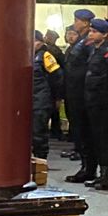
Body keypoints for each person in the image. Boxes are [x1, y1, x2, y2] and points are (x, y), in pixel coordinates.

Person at [81, 19, 108, 191]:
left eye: (95, 31)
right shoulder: (94, 50)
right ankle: (102, 173)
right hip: (93, 102)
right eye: (90, 31)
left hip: (104, 103)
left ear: (104, 34)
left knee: (105, 140)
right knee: (96, 139)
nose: (91, 34)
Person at [63, 10, 96, 173]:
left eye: (77, 20)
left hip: (82, 91)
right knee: (78, 128)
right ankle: (85, 165)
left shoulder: (88, 42)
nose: (75, 23)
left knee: (85, 130)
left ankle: (88, 167)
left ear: (85, 22)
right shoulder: (80, 42)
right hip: (74, 90)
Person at [31, 31, 60, 161]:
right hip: (31, 99)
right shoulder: (29, 56)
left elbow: (57, 77)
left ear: (40, 42)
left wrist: (56, 97)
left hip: (41, 99)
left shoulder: (46, 56)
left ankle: (41, 158)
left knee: (39, 131)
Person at [43, 29, 66, 141]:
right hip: (52, 83)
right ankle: (55, 130)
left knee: (52, 109)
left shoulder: (52, 51)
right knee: (53, 110)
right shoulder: (55, 50)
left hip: (52, 82)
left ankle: (55, 130)